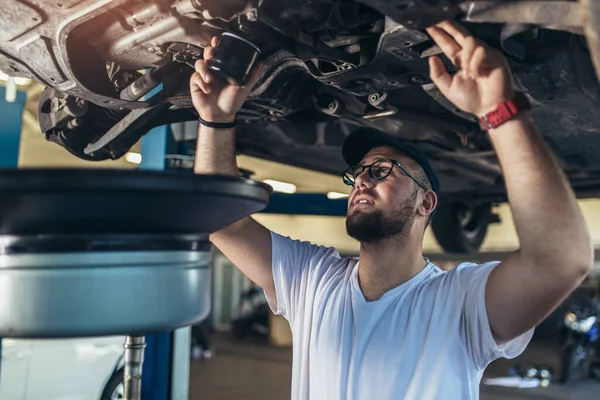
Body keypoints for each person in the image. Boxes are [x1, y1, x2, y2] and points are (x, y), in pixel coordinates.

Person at [190, 19, 593, 400]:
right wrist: (215, 121)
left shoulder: (460, 302)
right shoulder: (311, 280)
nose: (362, 180)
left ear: (426, 202)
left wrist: (499, 110)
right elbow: (221, 221)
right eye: (359, 173)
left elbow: (560, 261)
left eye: (382, 170)